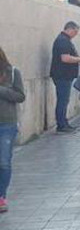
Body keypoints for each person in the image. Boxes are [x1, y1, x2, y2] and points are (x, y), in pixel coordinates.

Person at [0, 46, 25, 213]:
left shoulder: (13, 72)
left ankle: (1, 196)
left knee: (3, 162)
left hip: (6, 124)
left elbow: (20, 96)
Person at [49, 21, 80, 133]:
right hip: (62, 75)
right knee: (63, 100)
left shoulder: (64, 40)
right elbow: (65, 58)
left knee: (64, 100)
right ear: (70, 29)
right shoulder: (63, 41)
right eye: (75, 31)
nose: (75, 34)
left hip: (64, 75)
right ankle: (61, 125)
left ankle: (63, 123)